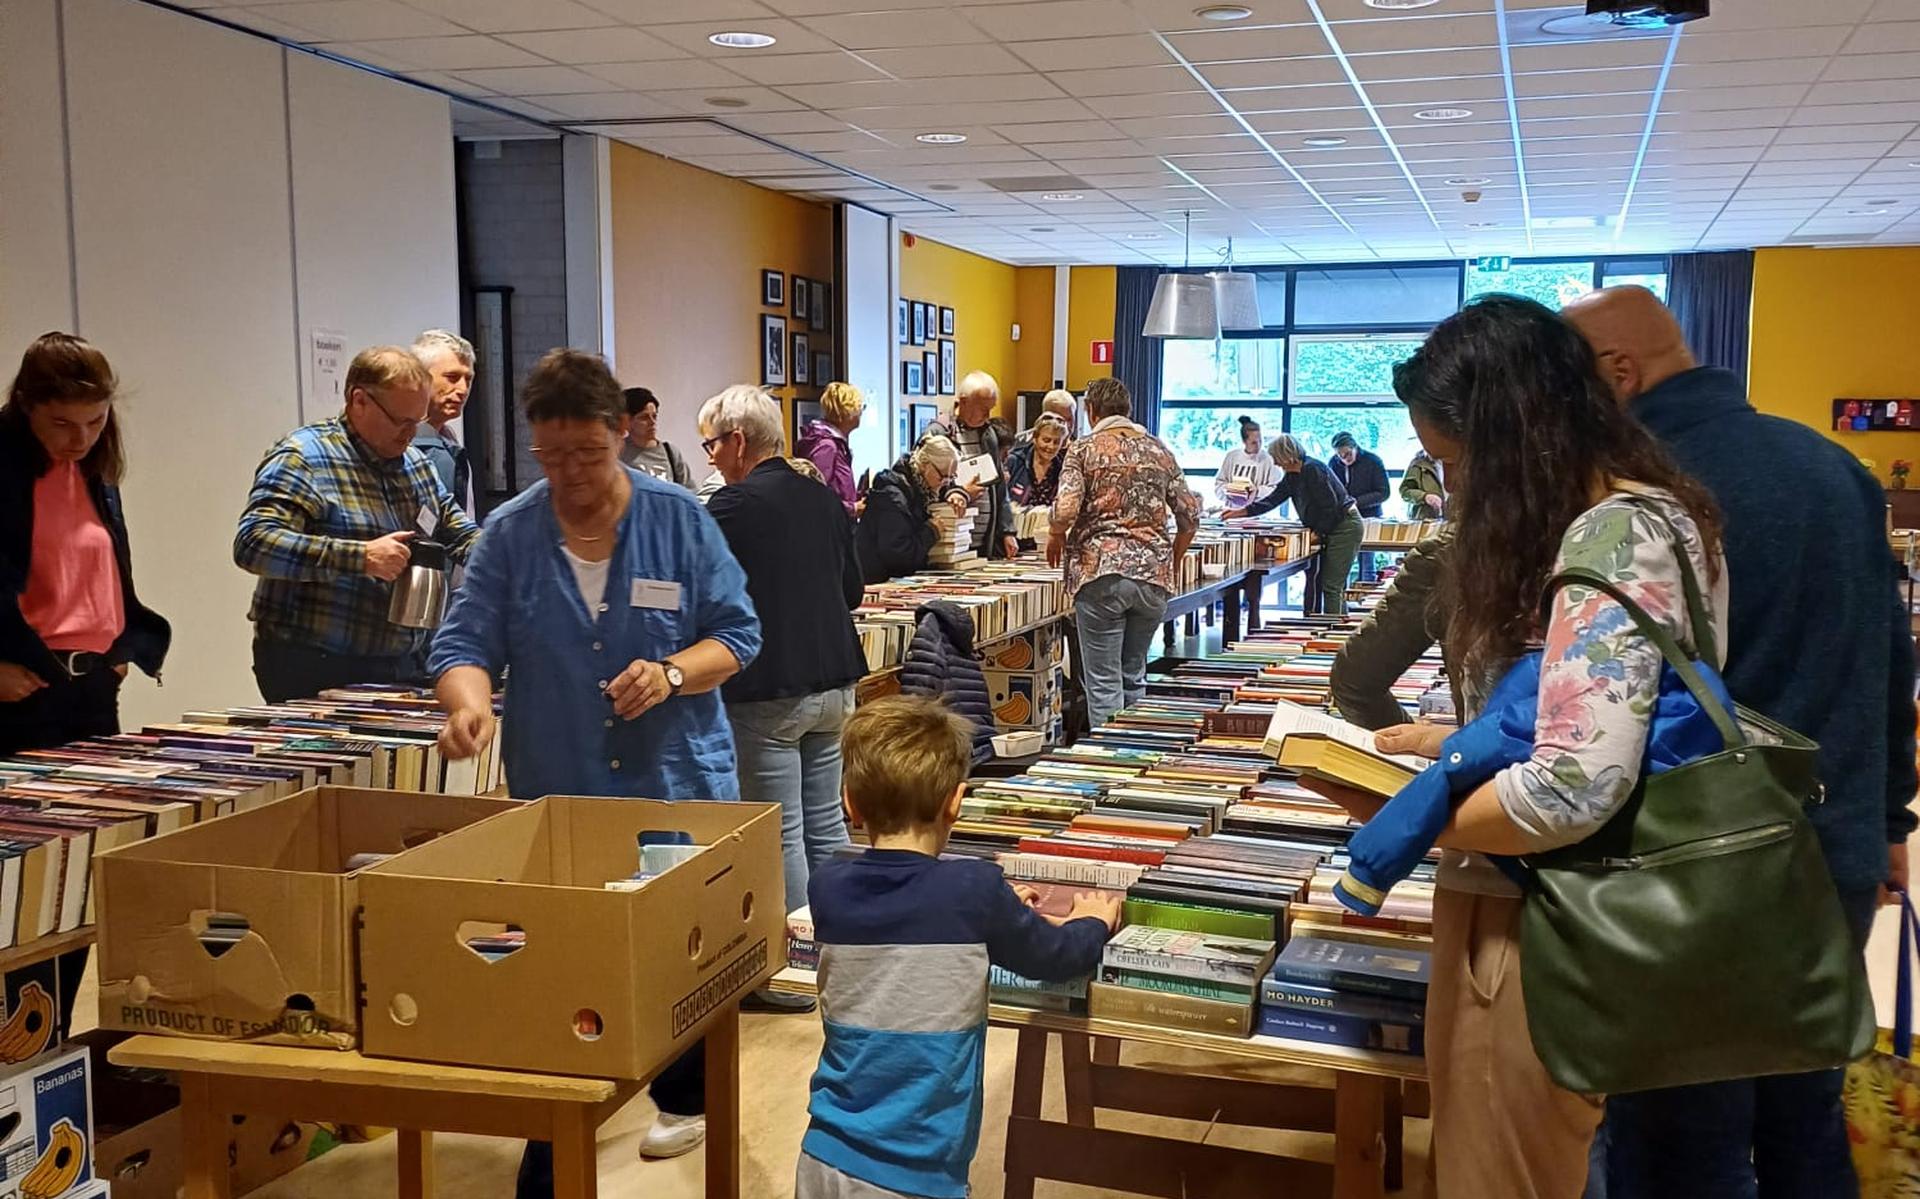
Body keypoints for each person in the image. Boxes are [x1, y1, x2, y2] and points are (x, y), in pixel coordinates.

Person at [1563, 285, 1917, 1198]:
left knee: (1681, 1138)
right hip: (1830, 849)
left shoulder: (1637, 498)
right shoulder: (1833, 467)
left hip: (1692, 869)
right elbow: (1889, 656)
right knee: (1805, 1116)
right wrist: (1890, 821)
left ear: (1620, 372)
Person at [1373, 294, 1728, 1199]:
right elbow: (1590, 720)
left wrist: (1412, 817)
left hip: (1538, 919)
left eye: (1455, 465)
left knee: (1503, 1170)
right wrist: (1447, 741)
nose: (1451, 493)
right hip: (1559, 907)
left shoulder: (1615, 534)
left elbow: (1568, 789)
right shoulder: (1656, 514)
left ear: (1516, 439)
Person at [429, 348, 761, 1185]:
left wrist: (674, 671)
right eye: (551, 454)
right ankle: (552, 1155)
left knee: (680, 974)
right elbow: (464, 644)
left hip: (675, 788)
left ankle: (689, 1106)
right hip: (562, 796)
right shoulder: (510, 534)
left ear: (622, 433)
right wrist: (466, 702)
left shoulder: (680, 518)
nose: (570, 471)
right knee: (563, 979)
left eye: (587, 451)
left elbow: (739, 634)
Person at [794, 695, 1120, 1199]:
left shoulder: (827, 885)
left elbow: (909, 902)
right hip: (917, 1171)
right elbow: (1054, 958)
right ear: (957, 801)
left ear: (849, 804)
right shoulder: (973, 890)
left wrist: (983, 908)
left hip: (823, 1153)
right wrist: (1092, 922)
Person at [701, 385, 866, 1013]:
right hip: (835, 680)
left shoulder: (732, 507)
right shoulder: (824, 499)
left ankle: (793, 976)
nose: (712, 457)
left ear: (739, 441)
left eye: (714, 444)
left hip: (770, 687)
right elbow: (851, 589)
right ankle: (839, 957)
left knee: (781, 833)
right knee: (827, 824)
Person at [235, 346, 480, 703]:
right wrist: (360, 557)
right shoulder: (304, 457)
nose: (411, 434)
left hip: (402, 665)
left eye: (418, 421)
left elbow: (459, 532)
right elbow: (254, 544)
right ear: (359, 400)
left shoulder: (416, 465)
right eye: (401, 421)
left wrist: (503, 559)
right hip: (313, 665)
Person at [1, 332, 170, 755]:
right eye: (62, 424)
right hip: (19, 687)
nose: (81, 439)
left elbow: (107, 571)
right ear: (26, 406)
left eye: (96, 422)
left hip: (94, 684)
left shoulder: (93, 471)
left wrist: (118, 655)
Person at [1048, 378, 1200, 730]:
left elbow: (1067, 510)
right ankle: (1136, 757)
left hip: (1101, 573)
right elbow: (1189, 517)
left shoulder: (1083, 450)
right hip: (1152, 577)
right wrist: (1171, 560)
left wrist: (1056, 534)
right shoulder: (1159, 450)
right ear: (1127, 410)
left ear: (1091, 410)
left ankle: (1108, 764)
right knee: (1134, 674)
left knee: (1103, 683)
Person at [1328, 528, 1455, 730]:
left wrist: (1404, 744)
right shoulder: (1449, 552)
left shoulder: (1447, 553)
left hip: (1488, 756)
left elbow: (1355, 680)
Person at [1240, 434, 1363, 616]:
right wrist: (1243, 511)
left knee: (1331, 586)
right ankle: (1337, 629)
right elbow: (1274, 498)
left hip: (1345, 527)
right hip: (1333, 527)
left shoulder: (1312, 469)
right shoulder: (1292, 475)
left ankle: (1334, 637)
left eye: (1276, 458)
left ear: (1286, 455)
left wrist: (1319, 533)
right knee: (1330, 585)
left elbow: (1330, 507)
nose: (1275, 463)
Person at [925, 371, 1017, 561]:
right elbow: (925, 486)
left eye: (991, 409)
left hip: (983, 543)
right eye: (983, 409)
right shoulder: (939, 432)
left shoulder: (988, 434)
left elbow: (999, 488)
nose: (988, 415)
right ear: (964, 401)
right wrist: (961, 492)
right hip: (950, 541)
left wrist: (1008, 532)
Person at [856, 436, 967, 584]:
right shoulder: (893, 496)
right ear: (926, 465)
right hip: (879, 581)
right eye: (942, 477)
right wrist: (930, 531)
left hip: (896, 579)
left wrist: (956, 492)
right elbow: (898, 555)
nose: (944, 484)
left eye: (951, 478)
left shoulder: (922, 489)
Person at [407, 330, 475, 511]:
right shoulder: (399, 442)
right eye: (452, 378)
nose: (463, 389)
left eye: (468, 379)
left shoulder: (448, 438)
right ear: (419, 377)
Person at [795, 381, 862, 515]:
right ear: (847, 412)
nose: (861, 413)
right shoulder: (826, 446)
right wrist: (853, 508)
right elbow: (817, 496)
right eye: (859, 408)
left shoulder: (834, 443)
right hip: (832, 530)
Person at [1331, 431, 1389, 580]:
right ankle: (1342, 600)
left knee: (1366, 562)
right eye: (1340, 455)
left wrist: (1357, 502)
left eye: (1348, 454)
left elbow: (1384, 493)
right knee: (1341, 562)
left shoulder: (1373, 461)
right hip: (1343, 517)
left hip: (1368, 516)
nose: (1344, 459)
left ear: (1355, 447)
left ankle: (1366, 597)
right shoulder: (1333, 463)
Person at [619, 386, 694, 490]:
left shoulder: (670, 452)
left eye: (654, 416)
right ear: (627, 421)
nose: (652, 422)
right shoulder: (619, 452)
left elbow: (690, 491)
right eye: (644, 417)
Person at [1214, 416, 1279, 509]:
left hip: (1257, 510)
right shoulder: (1232, 456)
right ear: (1244, 441)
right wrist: (1229, 491)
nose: (1258, 445)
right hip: (1232, 510)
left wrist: (1257, 491)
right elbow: (1219, 485)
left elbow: (1276, 489)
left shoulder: (1269, 459)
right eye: (1253, 442)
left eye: (1260, 441)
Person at [1006, 412, 1068, 508]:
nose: (1051, 446)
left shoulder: (1064, 469)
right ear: (1035, 437)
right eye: (1046, 440)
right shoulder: (1014, 461)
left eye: (1056, 442)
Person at [1401, 448, 1446, 519]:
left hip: (1454, 519)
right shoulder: (1418, 464)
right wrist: (1424, 497)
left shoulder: (1460, 462)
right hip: (1425, 520)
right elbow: (1405, 492)